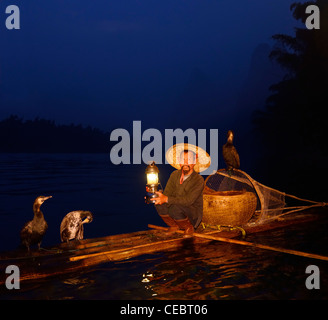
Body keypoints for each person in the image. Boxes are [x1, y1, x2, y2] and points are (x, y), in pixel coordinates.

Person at [152, 143, 210, 237]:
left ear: (194, 161)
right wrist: (159, 196)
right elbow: (167, 193)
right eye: (183, 159)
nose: (186, 162)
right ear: (179, 161)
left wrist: (166, 199)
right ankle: (174, 226)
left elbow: (189, 200)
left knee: (175, 208)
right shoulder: (174, 174)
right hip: (176, 208)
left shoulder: (198, 179)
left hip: (192, 213)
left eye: (189, 160)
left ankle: (189, 227)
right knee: (158, 204)